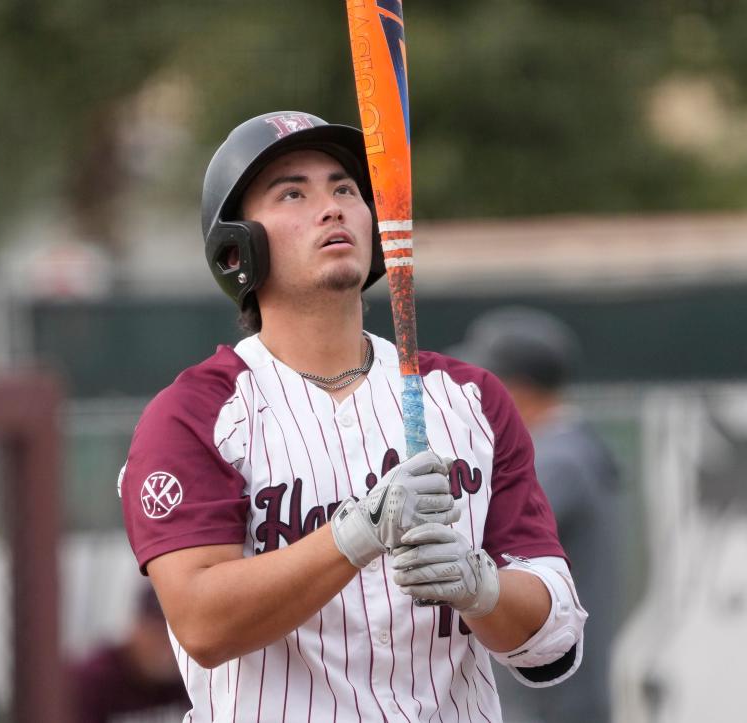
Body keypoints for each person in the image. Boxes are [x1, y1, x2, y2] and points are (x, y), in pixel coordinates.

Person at [118, 111, 587, 722]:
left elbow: (554, 642)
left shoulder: (468, 397)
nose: (332, 207)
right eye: (293, 193)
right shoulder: (195, 415)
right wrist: (357, 533)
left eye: (345, 188)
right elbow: (204, 622)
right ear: (237, 246)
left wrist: (483, 589)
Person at [452, 307, 622, 723]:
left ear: (518, 390)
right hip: (556, 690)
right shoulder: (572, 446)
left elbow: (476, 534)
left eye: (487, 383)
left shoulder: (558, 458)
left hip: (548, 698)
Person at [68, 586, 189, 723]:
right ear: (137, 628)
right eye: (156, 634)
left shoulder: (188, 676)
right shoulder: (96, 680)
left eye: (172, 638)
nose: (164, 649)